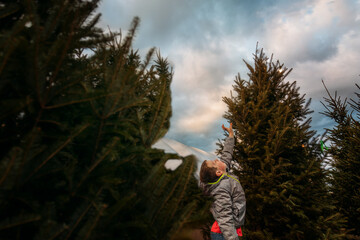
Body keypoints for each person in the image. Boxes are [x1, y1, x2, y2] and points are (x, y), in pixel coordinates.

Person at [200, 123, 246, 240]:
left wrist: (231, 135)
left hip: (227, 231)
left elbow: (226, 154)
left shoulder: (223, 175)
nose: (217, 159)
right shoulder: (220, 190)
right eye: (214, 162)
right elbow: (225, 219)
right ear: (218, 172)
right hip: (223, 234)